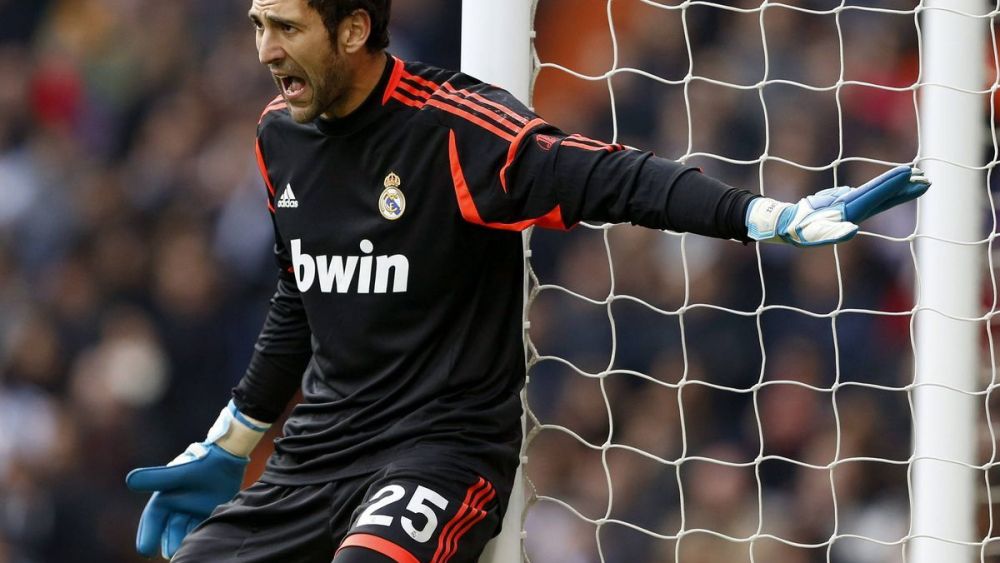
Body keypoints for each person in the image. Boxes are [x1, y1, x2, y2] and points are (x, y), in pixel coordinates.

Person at [125, 0, 930, 561]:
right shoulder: (279, 138)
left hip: (436, 452)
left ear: (353, 30)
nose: (265, 49)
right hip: (315, 457)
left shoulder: (455, 130)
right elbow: (299, 299)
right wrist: (231, 441)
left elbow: (612, 177)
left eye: (287, 27)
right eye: (259, 25)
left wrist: (762, 215)